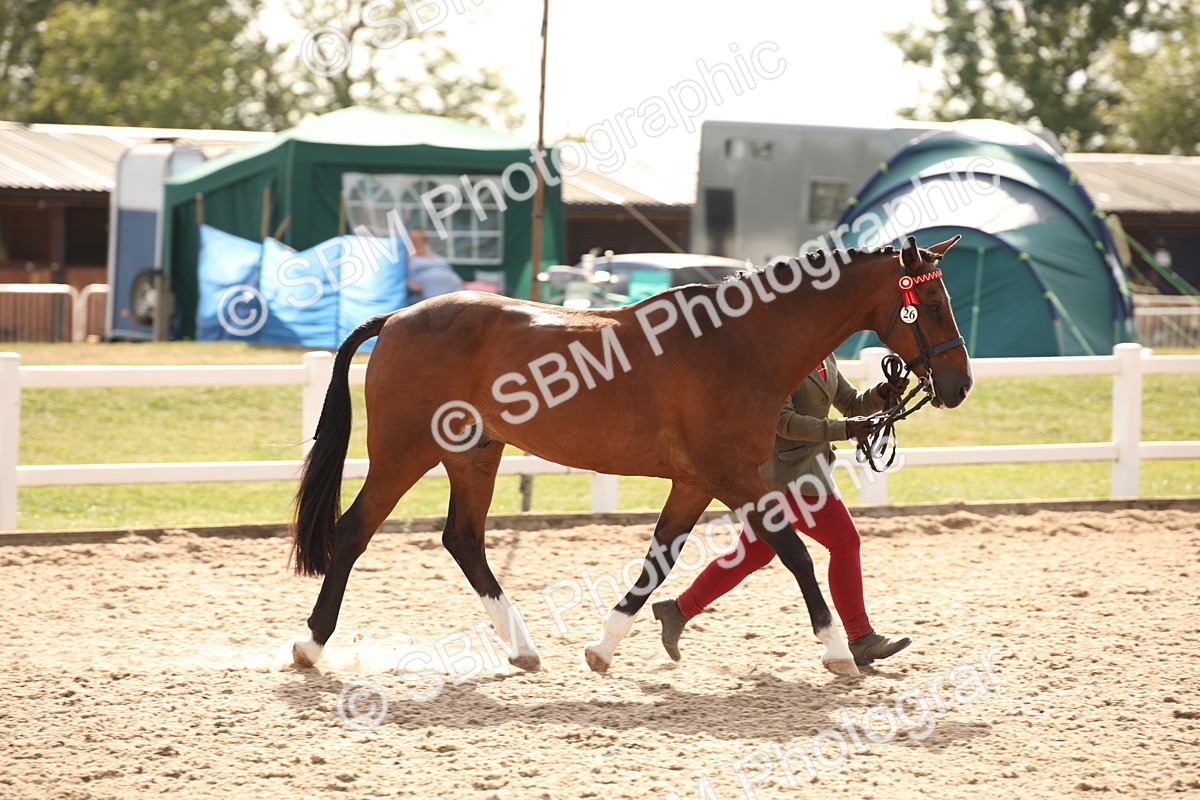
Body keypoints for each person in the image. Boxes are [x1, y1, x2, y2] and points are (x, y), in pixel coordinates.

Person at [652, 353, 912, 667]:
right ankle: (860, 637)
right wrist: (844, 430)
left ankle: (677, 610)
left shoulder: (825, 356)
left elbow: (852, 404)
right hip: (788, 477)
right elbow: (784, 423)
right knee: (844, 541)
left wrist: (883, 392)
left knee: (753, 553)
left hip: (799, 474)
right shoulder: (783, 358)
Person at [405, 228, 464, 304]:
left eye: (418, 239)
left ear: (425, 241)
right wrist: (410, 285)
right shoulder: (407, 259)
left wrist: (460, 281)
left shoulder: (438, 258)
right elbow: (400, 278)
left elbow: (450, 272)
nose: (415, 242)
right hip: (427, 297)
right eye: (413, 239)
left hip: (454, 290)